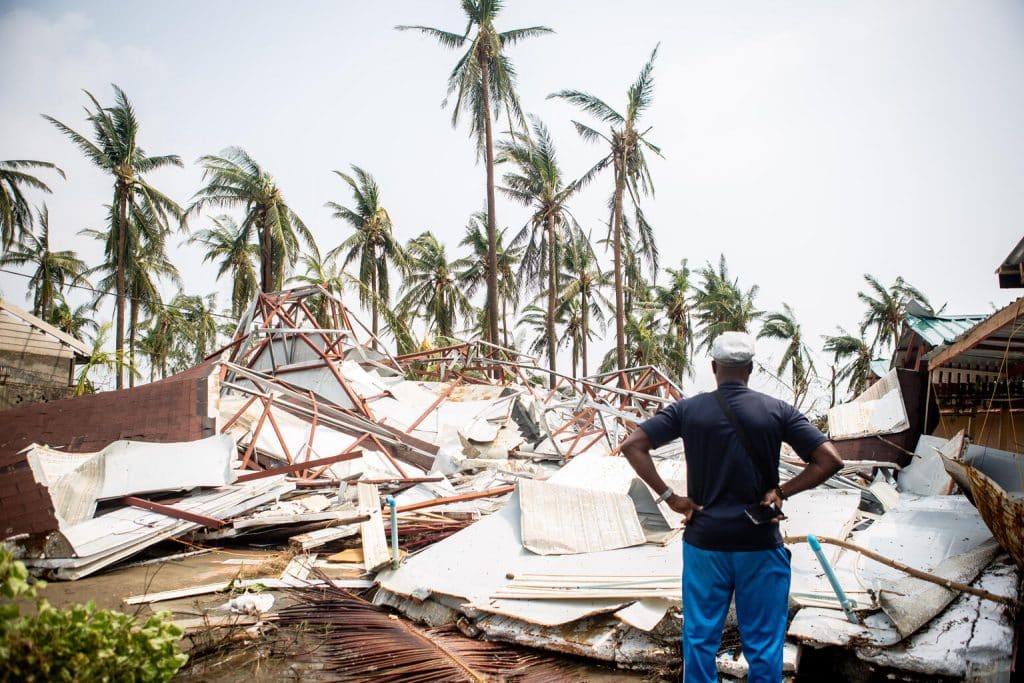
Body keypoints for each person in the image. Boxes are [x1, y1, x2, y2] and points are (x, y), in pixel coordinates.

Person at [621, 331, 843, 683]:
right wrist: (782, 491)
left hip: (705, 543)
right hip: (758, 544)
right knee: (764, 645)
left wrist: (671, 498)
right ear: (750, 369)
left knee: (699, 640)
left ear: (713, 367)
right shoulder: (777, 410)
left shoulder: (688, 410)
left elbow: (633, 444)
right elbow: (830, 459)